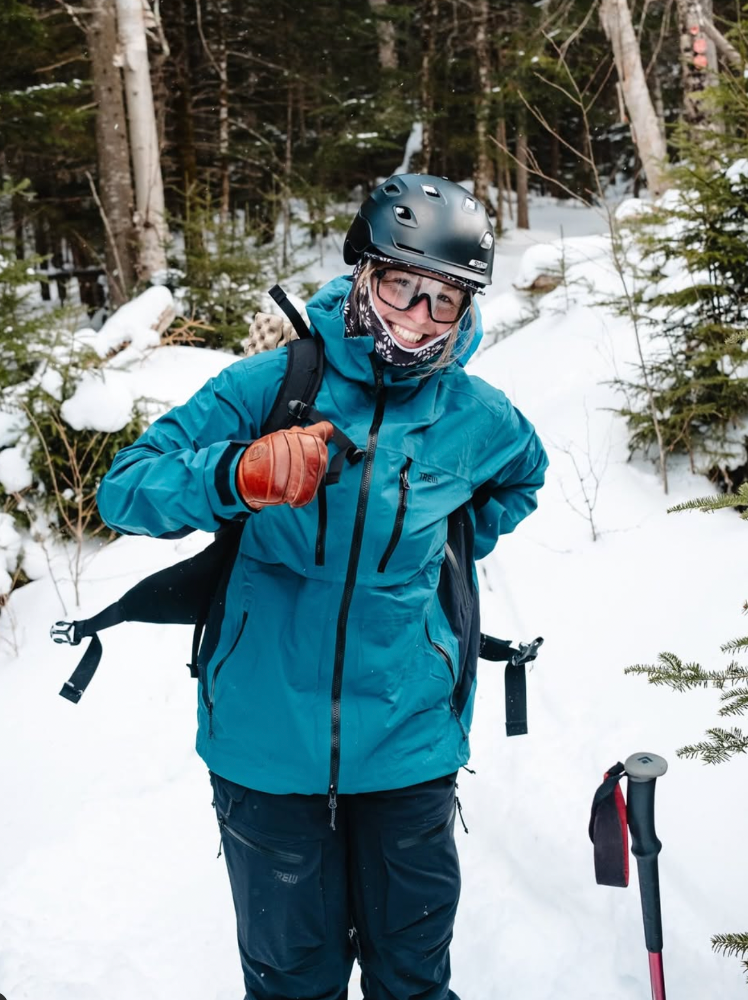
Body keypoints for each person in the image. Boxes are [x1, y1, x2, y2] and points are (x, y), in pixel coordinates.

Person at [96, 173, 548, 1000]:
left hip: (411, 743)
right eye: (402, 286)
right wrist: (237, 473)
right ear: (364, 271)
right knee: (292, 984)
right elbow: (124, 489)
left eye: (444, 300)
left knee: (413, 980)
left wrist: (453, 544)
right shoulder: (270, 387)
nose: (419, 317)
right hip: (264, 745)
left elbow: (523, 478)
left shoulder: (477, 416)